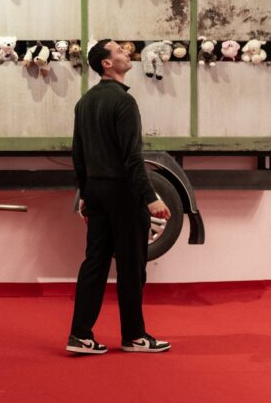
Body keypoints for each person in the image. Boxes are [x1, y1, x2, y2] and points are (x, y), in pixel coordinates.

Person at [66, 39, 172, 355]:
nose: (127, 52)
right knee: (131, 267)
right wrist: (150, 197)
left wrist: (85, 191)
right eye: (119, 51)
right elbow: (132, 157)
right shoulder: (124, 102)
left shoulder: (84, 102)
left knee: (94, 263)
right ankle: (134, 336)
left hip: (96, 192)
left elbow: (77, 153)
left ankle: (80, 335)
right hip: (124, 193)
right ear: (107, 64)